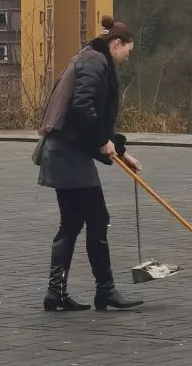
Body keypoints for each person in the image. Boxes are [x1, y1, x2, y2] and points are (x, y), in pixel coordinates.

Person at [37, 16, 144, 312]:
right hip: (68, 155)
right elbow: (84, 109)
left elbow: (91, 118)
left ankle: (55, 293)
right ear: (117, 44)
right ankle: (105, 290)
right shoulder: (96, 62)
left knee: (71, 223)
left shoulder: (90, 59)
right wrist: (102, 143)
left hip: (62, 151)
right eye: (127, 51)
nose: (127, 57)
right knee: (97, 219)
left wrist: (120, 152)